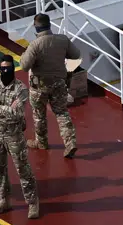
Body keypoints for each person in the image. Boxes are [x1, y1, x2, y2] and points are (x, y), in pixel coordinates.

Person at [0, 55, 40, 219]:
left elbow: (17, 113)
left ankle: (32, 203)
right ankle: (4, 199)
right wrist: (5, 108)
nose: (5, 71)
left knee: (23, 169)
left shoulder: (21, 89)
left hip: (14, 135)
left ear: (13, 69)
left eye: (8, 68)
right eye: (2, 68)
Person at [19, 12, 79, 157]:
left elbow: (24, 66)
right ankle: (70, 143)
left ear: (36, 27)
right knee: (62, 112)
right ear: (49, 25)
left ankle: (42, 143)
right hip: (59, 84)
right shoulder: (62, 40)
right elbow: (76, 55)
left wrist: (24, 55)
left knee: (39, 115)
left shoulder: (35, 45)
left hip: (39, 87)